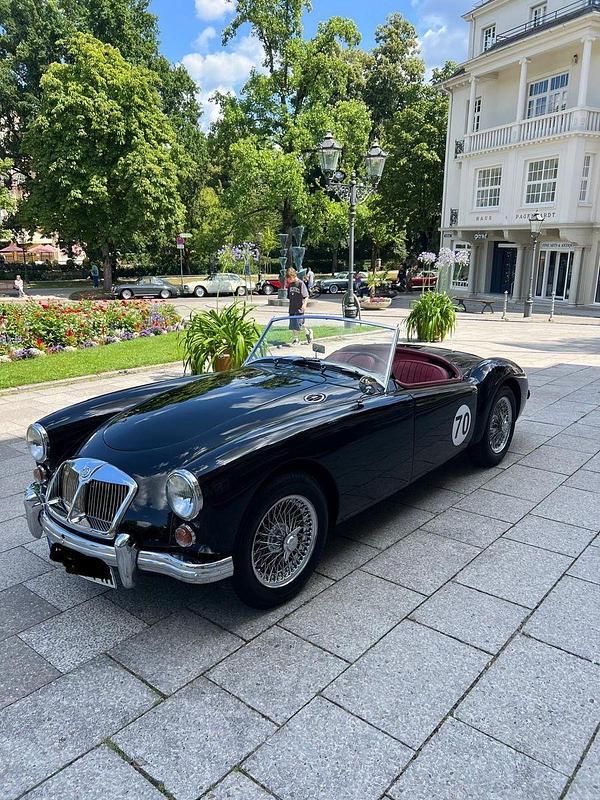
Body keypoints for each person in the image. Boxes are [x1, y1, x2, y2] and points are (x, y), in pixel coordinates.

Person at [286, 267, 312, 345]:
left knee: (299, 324)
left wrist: (304, 305)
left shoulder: (300, 283)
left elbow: (306, 296)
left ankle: (308, 333)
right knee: (293, 325)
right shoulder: (290, 285)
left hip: (299, 308)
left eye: (289, 279)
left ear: (293, 276)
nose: (288, 280)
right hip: (292, 308)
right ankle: (296, 339)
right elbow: (289, 296)